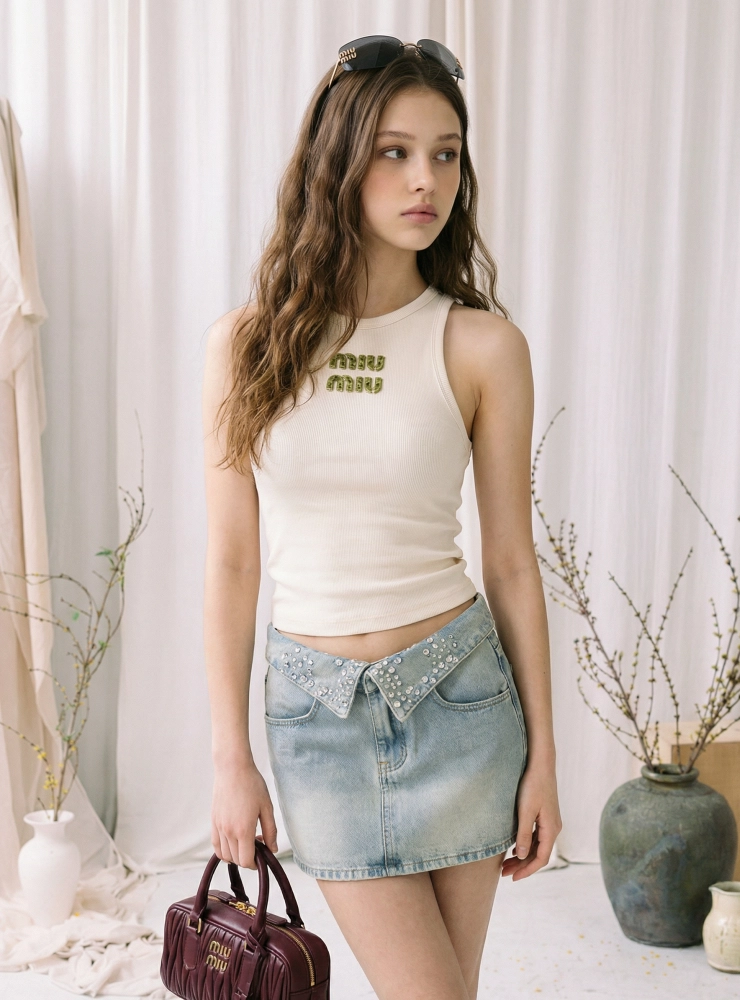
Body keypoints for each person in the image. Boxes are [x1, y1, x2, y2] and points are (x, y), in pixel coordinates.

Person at [202, 36, 562, 1000]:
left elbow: (511, 562)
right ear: (338, 163)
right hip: (317, 722)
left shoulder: (483, 345)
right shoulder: (246, 347)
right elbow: (232, 564)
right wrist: (231, 757)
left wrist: (545, 761)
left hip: (463, 705)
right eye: (394, 152)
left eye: (446, 153)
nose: (425, 180)